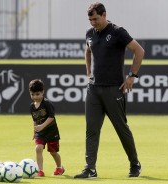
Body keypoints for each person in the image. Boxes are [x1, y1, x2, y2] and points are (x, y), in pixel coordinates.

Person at [74, 2, 144, 179]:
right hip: (93, 90)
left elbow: (139, 50)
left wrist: (131, 76)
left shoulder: (117, 32)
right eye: (90, 20)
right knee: (91, 130)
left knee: (121, 128)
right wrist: (88, 73)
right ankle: (90, 168)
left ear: (104, 15)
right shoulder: (90, 34)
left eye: (96, 19)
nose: (93, 23)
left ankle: (134, 164)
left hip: (114, 89)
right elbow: (88, 51)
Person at [29, 79, 65, 177]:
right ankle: (40, 170)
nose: (35, 97)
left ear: (42, 92)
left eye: (37, 94)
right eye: (32, 94)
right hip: (40, 133)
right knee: (38, 148)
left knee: (53, 152)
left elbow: (51, 117)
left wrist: (41, 126)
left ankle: (59, 167)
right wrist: (35, 130)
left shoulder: (47, 104)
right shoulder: (32, 106)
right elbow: (35, 119)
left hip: (51, 132)